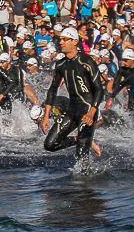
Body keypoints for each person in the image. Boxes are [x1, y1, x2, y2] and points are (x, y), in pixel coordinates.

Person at [41, 27, 103, 160]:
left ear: (74, 41)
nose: (61, 42)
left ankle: (86, 177)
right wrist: (46, 116)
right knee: (50, 144)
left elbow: (99, 89)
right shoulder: (60, 64)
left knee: (81, 155)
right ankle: (78, 139)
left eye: (64, 39)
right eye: (60, 39)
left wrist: (92, 113)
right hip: (72, 110)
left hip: (87, 110)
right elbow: (52, 89)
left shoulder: (86, 61)